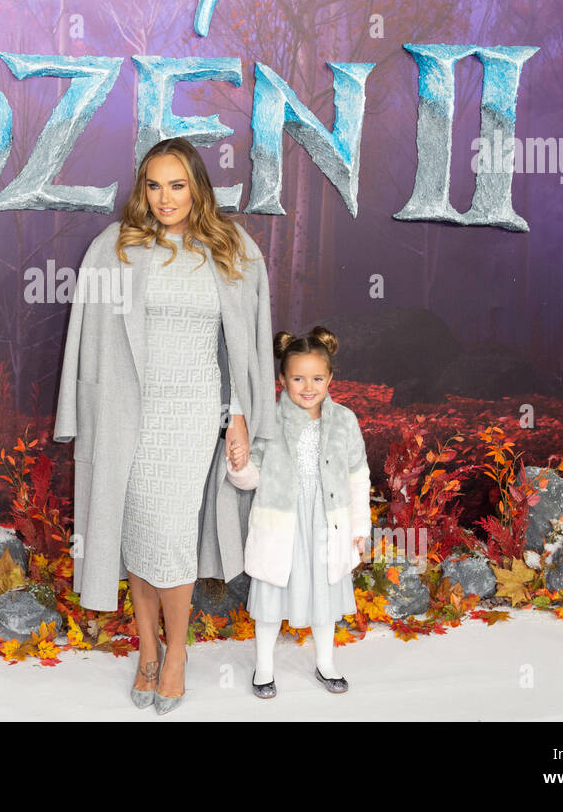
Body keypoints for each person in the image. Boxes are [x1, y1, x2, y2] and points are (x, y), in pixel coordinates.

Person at [53, 137, 277, 714]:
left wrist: (240, 416)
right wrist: (79, 416)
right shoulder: (116, 247)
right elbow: (86, 341)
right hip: (130, 413)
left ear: (198, 186)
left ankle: (176, 654)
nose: (164, 198)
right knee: (138, 536)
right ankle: (147, 651)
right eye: (153, 185)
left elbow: (248, 347)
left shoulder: (233, 248)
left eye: (177, 185)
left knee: (173, 535)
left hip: (195, 411)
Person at [224, 325, 370, 698]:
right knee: (272, 593)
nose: (308, 387)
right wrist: (238, 466)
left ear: (330, 378)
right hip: (282, 523)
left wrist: (359, 526)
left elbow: (357, 477)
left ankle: (326, 662)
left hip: (326, 522)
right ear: (282, 379)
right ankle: (264, 666)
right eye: (298, 378)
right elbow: (252, 477)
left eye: (317, 378)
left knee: (325, 592)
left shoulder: (344, 422)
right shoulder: (268, 423)